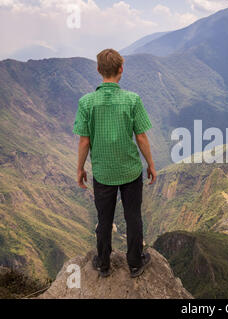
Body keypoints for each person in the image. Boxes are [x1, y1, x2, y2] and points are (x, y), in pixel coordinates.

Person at [72, 48, 157, 278]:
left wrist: (80, 168)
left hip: (102, 172)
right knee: (133, 217)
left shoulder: (86, 103)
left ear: (99, 70)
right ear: (121, 70)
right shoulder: (132, 100)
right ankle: (135, 263)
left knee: (104, 219)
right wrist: (150, 164)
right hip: (130, 170)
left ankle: (103, 263)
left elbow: (84, 141)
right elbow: (141, 136)